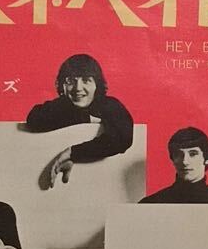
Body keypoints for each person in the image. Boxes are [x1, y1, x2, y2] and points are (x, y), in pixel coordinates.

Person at [23, 53, 134, 188]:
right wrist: (85, 118)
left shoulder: (109, 105)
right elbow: (34, 120)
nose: (78, 88)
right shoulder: (61, 105)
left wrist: (72, 153)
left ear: (97, 84)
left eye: (86, 80)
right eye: (70, 81)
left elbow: (122, 138)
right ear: (63, 85)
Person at [139, 126, 208, 204]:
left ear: (206, 159)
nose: (185, 161)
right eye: (178, 154)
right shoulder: (150, 204)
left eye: (193, 154)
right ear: (172, 159)